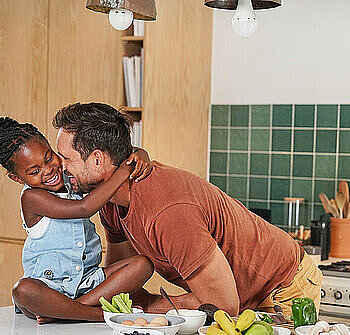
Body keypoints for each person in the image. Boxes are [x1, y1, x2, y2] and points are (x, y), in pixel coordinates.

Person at [54, 102, 323, 317]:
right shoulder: (111, 202)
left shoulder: (167, 212)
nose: (61, 168)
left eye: (67, 158)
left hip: (283, 288)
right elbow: (119, 276)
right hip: (235, 296)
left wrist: (149, 305)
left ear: (98, 159)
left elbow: (222, 305)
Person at [0, 117, 154, 323]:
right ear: (18, 178)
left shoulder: (71, 177)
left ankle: (68, 312)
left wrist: (139, 154)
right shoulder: (31, 198)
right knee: (22, 290)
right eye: (34, 171)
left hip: (88, 282)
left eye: (49, 158)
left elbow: (108, 158)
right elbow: (83, 208)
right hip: (49, 288)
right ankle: (98, 315)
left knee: (143, 264)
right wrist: (125, 171)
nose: (48, 171)